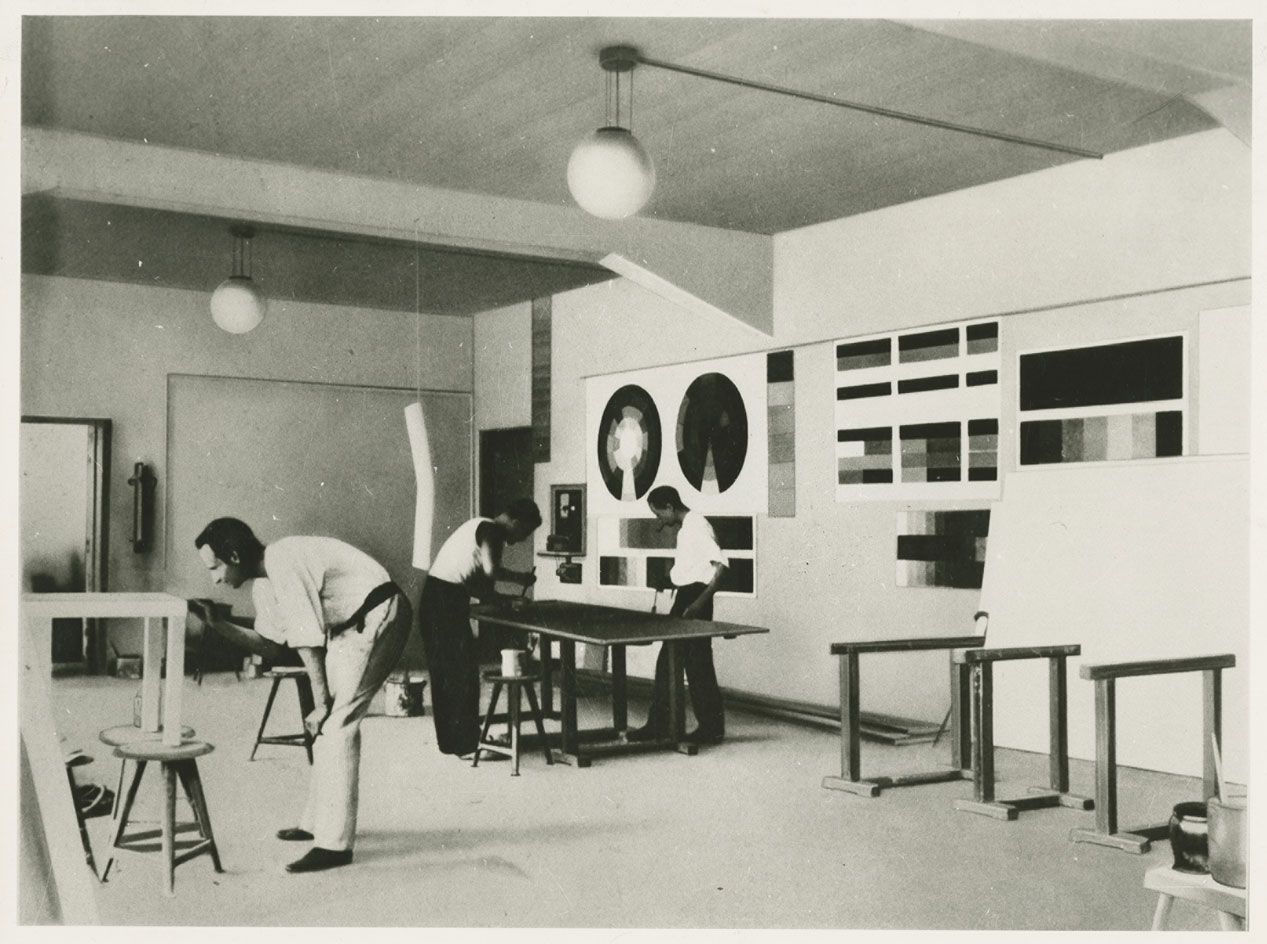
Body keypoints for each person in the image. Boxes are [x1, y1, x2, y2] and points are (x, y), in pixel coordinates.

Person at [190, 517, 411, 873]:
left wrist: (321, 703)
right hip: (346, 629)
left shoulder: (282, 559)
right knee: (325, 728)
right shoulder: (264, 585)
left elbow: (308, 640)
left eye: (215, 568)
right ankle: (316, 824)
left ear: (233, 555)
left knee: (337, 725)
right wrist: (218, 625)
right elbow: (273, 647)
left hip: (380, 613)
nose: (215, 579)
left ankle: (335, 846)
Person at [419, 498, 542, 757]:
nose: (521, 540)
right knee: (461, 675)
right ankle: (467, 745)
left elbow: (480, 587)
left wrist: (509, 595)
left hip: (435, 598)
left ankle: (453, 743)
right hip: (445, 602)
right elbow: (491, 570)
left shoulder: (477, 526)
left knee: (446, 675)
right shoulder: (492, 530)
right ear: (515, 522)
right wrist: (517, 585)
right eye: (525, 532)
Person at [628, 485, 729, 745]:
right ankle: (670, 725)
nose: (659, 521)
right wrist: (669, 580)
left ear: (670, 507)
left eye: (659, 514)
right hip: (688, 595)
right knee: (677, 662)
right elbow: (691, 569)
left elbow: (720, 570)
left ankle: (705, 728)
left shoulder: (696, 526)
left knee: (694, 664)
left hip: (695, 600)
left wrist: (697, 604)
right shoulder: (688, 528)